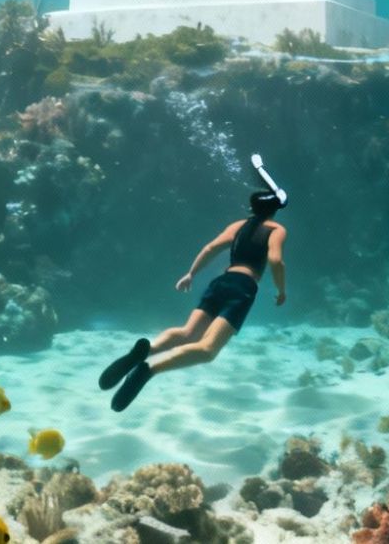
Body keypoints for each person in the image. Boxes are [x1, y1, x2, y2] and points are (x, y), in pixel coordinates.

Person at [99, 156, 289, 412]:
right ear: (275, 210)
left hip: (220, 282)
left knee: (188, 332)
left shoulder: (238, 226)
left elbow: (211, 247)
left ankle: (149, 349)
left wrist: (190, 274)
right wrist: (281, 290)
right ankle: (150, 368)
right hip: (243, 287)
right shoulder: (276, 229)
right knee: (208, 349)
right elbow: (276, 260)